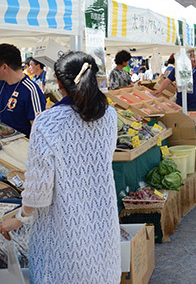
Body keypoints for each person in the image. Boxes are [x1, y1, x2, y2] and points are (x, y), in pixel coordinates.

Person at [0, 51, 120, 283]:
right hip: (102, 224)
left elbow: (39, 191)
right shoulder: (110, 116)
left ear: (59, 84)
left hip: (62, 229)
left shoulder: (48, 122)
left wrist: (19, 219)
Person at [0, 44, 46, 137]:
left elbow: (38, 130)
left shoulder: (31, 91)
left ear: (4, 67)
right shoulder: (2, 84)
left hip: (20, 147)